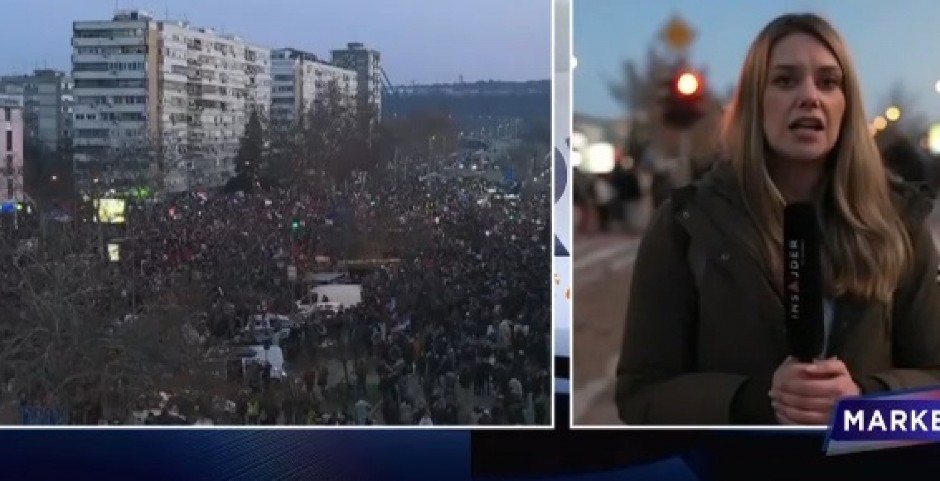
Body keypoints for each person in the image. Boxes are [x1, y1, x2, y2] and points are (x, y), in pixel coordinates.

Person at [615, 13, 940, 425]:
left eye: (828, 82)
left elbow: (934, 402)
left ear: (848, 104)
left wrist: (866, 401)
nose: (810, 97)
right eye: (786, 81)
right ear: (754, 102)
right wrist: (759, 400)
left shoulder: (898, 226)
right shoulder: (688, 225)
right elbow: (641, 397)